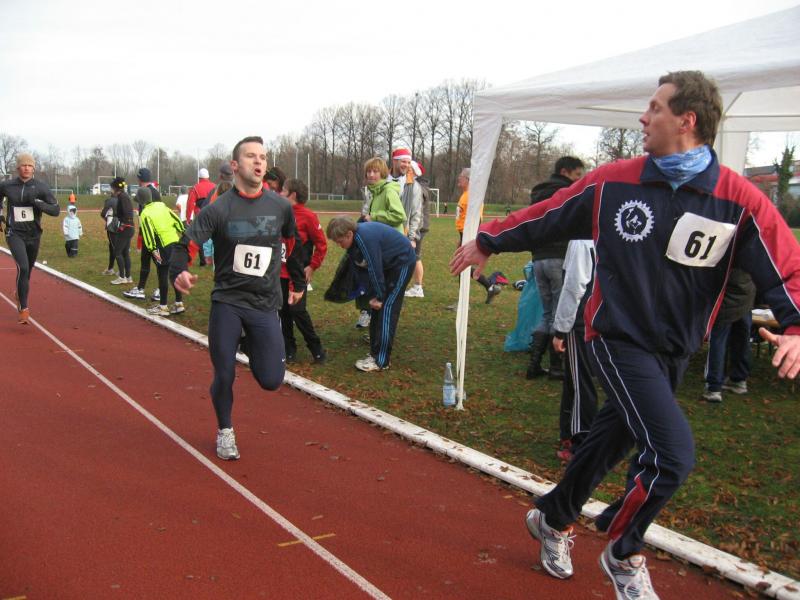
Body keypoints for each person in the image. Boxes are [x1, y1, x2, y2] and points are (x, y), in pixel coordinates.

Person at [450, 70, 800, 598]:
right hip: (615, 336)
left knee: (609, 441)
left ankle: (553, 516)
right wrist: (489, 239)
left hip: (676, 347)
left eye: (655, 108)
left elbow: (786, 264)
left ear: (687, 120)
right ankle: (624, 549)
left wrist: (795, 324)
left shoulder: (737, 198)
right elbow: (549, 215)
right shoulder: (615, 180)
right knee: (672, 454)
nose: (643, 116)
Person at [171, 135, 305, 461]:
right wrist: (180, 270)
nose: (259, 162)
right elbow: (185, 244)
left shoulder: (280, 207)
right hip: (228, 302)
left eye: (263, 157)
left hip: (264, 303)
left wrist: (298, 282)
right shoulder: (218, 209)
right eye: (250, 156)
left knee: (271, 380)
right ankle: (225, 430)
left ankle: (247, 342)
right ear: (235, 165)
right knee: (225, 374)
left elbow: (293, 245)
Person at [327, 217, 416, 372]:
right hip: (388, 265)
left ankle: (381, 361)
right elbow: (361, 269)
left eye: (340, 241)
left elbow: (375, 269)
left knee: (387, 307)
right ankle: (375, 353)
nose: (339, 245)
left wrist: (379, 297)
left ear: (349, 234)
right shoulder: (354, 241)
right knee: (376, 309)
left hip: (402, 262)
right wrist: (373, 294)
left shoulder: (365, 240)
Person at [527, 156, 585, 380]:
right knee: (560, 312)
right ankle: (556, 367)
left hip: (538, 258)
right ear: (565, 172)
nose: (579, 179)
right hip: (560, 256)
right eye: (577, 174)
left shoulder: (538, 193)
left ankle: (534, 364)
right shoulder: (568, 193)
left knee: (547, 312)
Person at [551, 239, 598, 461]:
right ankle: (569, 433)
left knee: (580, 382)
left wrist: (560, 329)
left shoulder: (581, 243)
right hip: (598, 318)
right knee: (574, 379)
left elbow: (573, 286)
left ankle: (582, 441)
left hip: (581, 322)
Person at [0, 152, 60, 323]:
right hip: (14, 233)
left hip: (34, 234)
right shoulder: (7, 185)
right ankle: (23, 308)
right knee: (23, 268)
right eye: (23, 165)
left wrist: (38, 203)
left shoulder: (41, 187)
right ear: (18, 167)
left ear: (33, 168)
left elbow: (55, 210)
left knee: (28, 271)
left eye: (29, 165)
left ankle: (19, 292)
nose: (26, 168)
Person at [279, 178, 327, 363]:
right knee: (283, 311)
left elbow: (321, 244)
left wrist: (312, 266)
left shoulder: (308, 216)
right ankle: (289, 349)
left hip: (297, 275)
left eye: (284, 190)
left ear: (292, 195)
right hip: (279, 273)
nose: (280, 193)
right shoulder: (280, 213)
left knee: (297, 311)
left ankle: (317, 349)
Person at [355, 157, 406, 328]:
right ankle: (372, 319)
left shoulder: (388, 190)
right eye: (368, 171)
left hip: (391, 249)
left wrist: (374, 217)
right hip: (379, 246)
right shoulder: (373, 192)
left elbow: (399, 215)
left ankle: (382, 326)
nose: (371, 175)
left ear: (383, 173)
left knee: (382, 286)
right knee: (373, 282)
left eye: (375, 171)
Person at [701, 268, 756, 402]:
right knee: (742, 340)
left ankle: (714, 387)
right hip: (745, 296)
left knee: (718, 343)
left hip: (726, 299)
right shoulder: (751, 257)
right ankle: (738, 379)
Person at [139, 187, 187, 316]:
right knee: (175, 274)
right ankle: (179, 304)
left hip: (162, 246)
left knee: (163, 274)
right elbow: (177, 221)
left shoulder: (145, 213)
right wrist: (183, 232)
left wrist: (152, 249)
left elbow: (148, 234)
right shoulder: (163, 206)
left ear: (141, 201)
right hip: (175, 243)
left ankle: (163, 306)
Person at [455, 168, 500, 304]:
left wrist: (470, 238)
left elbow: (477, 218)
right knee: (463, 266)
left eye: (461, 176)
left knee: (462, 266)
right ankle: (490, 287)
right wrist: (461, 237)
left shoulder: (472, 196)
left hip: (469, 234)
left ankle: (463, 303)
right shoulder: (466, 194)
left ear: (468, 179)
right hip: (464, 234)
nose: (459, 178)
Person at [387, 148, 424, 298]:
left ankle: (392, 297)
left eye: (409, 162)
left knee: (397, 267)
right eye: (403, 161)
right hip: (382, 229)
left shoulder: (413, 185)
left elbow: (415, 214)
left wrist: (412, 237)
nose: (406, 165)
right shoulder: (382, 179)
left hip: (401, 233)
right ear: (394, 161)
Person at [124, 168, 163, 301]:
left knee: (157, 261)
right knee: (145, 260)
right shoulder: (153, 191)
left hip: (152, 232)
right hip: (149, 231)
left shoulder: (149, 192)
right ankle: (141, 289)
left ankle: (160, 289)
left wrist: (144, 232)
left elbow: (150, 214)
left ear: (140, 179)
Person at [406, 160, 431, 297]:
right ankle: (416, 286)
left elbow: (416, 211)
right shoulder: (418, 186)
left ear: (415, 172)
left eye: (409, 169)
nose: (406, 171)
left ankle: (418, 287)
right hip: (418, 226)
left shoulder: (419, 188)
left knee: (415, 256)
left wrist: (414, 231)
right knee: (415, 256)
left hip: (418, 228)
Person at [185, 168, 217, 267]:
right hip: (215, 213)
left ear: (199, 177)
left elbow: (190, 203)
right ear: (208, 177)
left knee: (201, 236)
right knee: (215, 236)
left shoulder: (195, 188)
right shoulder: (215, 186)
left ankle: (204, 260)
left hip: (201, 214)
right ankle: (215, 258)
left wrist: (188, 218)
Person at [108, 177, 135, 286]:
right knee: (125, 253)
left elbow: (127, 213)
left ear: (115, 188)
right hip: (129, 227)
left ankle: (122, 277)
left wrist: (123, 224)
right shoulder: (124, 196)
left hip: (126, 228)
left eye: (111, 188)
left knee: (117, 252)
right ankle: (128, 277)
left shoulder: (122, 197)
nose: (111, 190)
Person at [100, 191, 118, 275]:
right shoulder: (124, 199)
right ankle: (113, 268)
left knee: (114, 247)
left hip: (112, 225)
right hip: (122, 225)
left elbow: (103, 214)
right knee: (116, 246)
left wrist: (107, 220)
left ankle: (117, 270)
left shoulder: (109, 201)